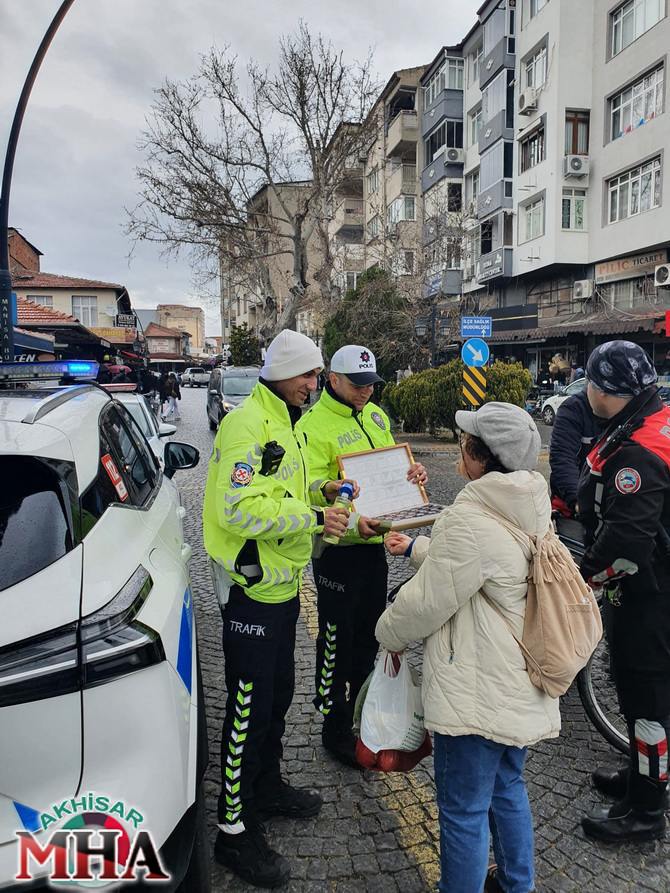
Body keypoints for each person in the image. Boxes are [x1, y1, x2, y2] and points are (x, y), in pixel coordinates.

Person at [376, 402, 560, 893]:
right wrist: (416, 548)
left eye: (466, 443)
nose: (461, 449)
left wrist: (386, 636)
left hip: (476, 691)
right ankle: (518, 884)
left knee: (462, 811)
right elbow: (483, 564)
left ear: (479, 457)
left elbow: (424, 604)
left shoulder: (470, 518)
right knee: (507, 788)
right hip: (517, 678)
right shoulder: (529, 501)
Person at [203, 329, 354, 888]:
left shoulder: (286, 421)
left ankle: (265, 788)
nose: (315, 385)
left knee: (277, 698)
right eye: (309, 375)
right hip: (251, 591)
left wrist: (322, 494)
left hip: (283, 587)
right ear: (285, 372)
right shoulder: (247, 424)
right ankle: (233, 831)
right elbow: (238, 508)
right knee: (246, 709)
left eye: (316, 375)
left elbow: (282, 491)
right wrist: (313, 519)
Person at [296, 344, 427, 767]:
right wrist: (353, 524)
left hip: (373, 550)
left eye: (371, 383)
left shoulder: (376, 416)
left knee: (369, 637)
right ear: (332, 379)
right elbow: (308, 493)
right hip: (337, 553)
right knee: (336, 641)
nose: (366, 391)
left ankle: (360, 717)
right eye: (357, 384)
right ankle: (333, 726)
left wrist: (412, 477)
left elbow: (388, 474)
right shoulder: (311, 427)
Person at [577, 341, 670, 844]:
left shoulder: (638, 452)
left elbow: (627, 543)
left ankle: (648, 809)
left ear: (604, 388)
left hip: (648, 596)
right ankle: (640, 776)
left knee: (648, 702)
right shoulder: (648, 422)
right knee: (637, 697)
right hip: (647, 590)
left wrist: (583, 579)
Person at [549, 388, 599, 517]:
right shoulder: (573, 408)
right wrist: (578, 503)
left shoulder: (634, 413)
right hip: (571, 504)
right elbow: (562, 458)